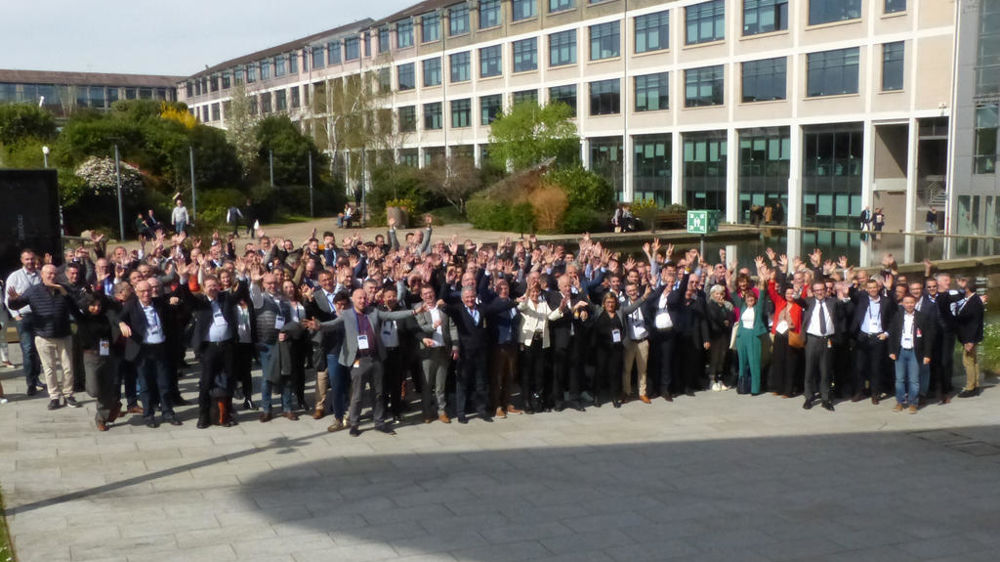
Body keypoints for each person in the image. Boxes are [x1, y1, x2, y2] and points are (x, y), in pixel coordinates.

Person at [308, 288, 423, 436]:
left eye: (364, 298)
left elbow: (391, 315)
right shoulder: (347, 314)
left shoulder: (373, 312)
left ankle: (379, 422)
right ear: (353, 300)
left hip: (375, 358)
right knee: (357, 394)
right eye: (359, 298)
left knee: (379, 393)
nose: (362, 301)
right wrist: (319, 326)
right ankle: (354, 424)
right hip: (358, 360)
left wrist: (413, 312)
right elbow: (333, 324)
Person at [7, 264, 80, 410]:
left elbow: (75, 307)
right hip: (43, 336)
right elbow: (16, 305)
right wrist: (13, 300)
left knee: (67, 368)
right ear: (42, 275)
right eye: (49, 274)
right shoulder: (34, 291)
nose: (52, 276)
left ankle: (68, 394)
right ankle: (54, 396)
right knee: (49, 368)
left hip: (63, 334)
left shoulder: (64, 288)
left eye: (54, 273)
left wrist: (63, 291)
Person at [118, 279, 183, 428]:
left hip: (160, 347)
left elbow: (176, 300)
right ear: (136, 292)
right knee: (145, 383)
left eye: (148, 290)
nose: (146, 293)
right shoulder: (131, 305)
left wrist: (177, 297)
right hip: (143, 350)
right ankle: (148, 414)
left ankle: (168, 412)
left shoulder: (159, 303)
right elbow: (118, 317)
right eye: (142, 291)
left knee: (164, 382)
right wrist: (122, 324)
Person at [5, 250, 44, 395]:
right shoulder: (15, 277)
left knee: (39, 350)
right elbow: (7, 298)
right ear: (22, 260)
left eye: (32, 259)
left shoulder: (41, 275)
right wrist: (16, 315)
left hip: (40, 317)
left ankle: (37, 377)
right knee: (28, 350)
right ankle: (30, 382)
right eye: (27, 259)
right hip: (24, 317)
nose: (30, 262)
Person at [888, 294, 934, 414]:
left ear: (915, 303)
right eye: (906, 302)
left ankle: (913, 403)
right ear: (902, 303)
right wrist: (891, 351)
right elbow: (892, 335)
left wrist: (927, 355)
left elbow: (928, 338)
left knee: (914, 380)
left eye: (911, 302)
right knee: (900, 379)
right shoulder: (897, 316)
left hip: (915, 351)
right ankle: (899, 402)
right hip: (900, 351)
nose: (909, 305)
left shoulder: (922, 317)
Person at [799, 281, 838, 412]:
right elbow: (799, 301)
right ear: (813, 292)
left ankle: (825, 399)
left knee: (825, 370)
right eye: (817, 290)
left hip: (827, 340)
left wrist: (846, 297)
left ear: (825, 290)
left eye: (822, 289)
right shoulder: (808, 302)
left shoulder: (832, 302)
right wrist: (796, 294)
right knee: (809, 370)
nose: (820, 292)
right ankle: (809, 397)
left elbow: (845, 305)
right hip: (811, 340)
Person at [950, 277, 985, 398]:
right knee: (973, 361)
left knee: (968, 362)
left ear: (968, 288)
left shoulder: (974, 302)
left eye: (964, 287)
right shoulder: (972, 299)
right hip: (969, 336)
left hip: (970, 337)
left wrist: (970, 340)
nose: (961, 289)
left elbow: (974, 323)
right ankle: (975, 384)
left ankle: (970, 387)